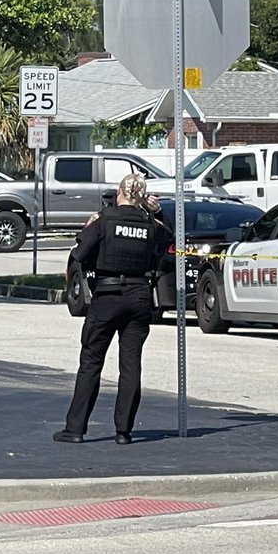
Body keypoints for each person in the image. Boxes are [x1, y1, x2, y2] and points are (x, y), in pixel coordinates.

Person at [54, 172, 171, 445]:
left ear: (119, 192)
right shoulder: (149, 224)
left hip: (107, 296)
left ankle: (75, 429)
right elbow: (168, 241)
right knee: (130, 366)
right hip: (140, 296)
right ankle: (124, 431)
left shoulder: (104, 220)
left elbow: (80, 255)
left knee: (91, 362)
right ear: (142, 197)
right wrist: (160, 212)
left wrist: (87, 230)